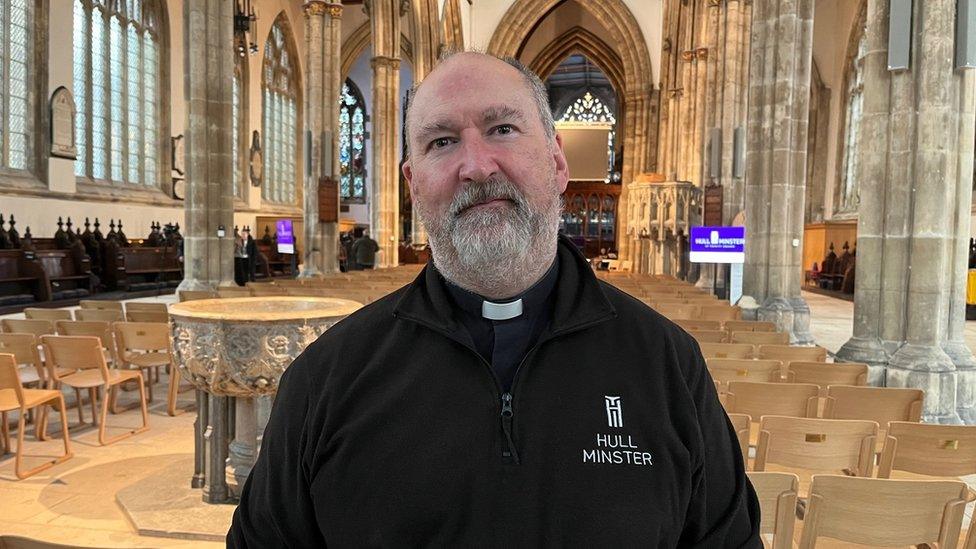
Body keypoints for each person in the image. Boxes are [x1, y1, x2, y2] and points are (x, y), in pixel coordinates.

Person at [228, 51, 759, 547]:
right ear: (414, 185)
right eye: (441, 142)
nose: (477, 166)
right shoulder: (328, 375)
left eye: (502, 129)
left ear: (556, 163)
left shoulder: (666, 363)